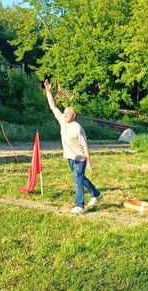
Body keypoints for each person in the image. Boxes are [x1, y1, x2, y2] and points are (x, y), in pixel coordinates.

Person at [44, 79, 103, 214]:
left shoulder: (78, 128)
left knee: (77, 181)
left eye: (67, 114)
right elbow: (53, 106)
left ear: (74, 115)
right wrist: (48, 91)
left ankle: (79, 206)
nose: (64, 115)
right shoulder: (62, 121)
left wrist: (89, 162)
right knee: (81, 178)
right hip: (70, 158)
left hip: (79, 159)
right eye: (64, 113)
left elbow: (85, 146)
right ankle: (96, 194)